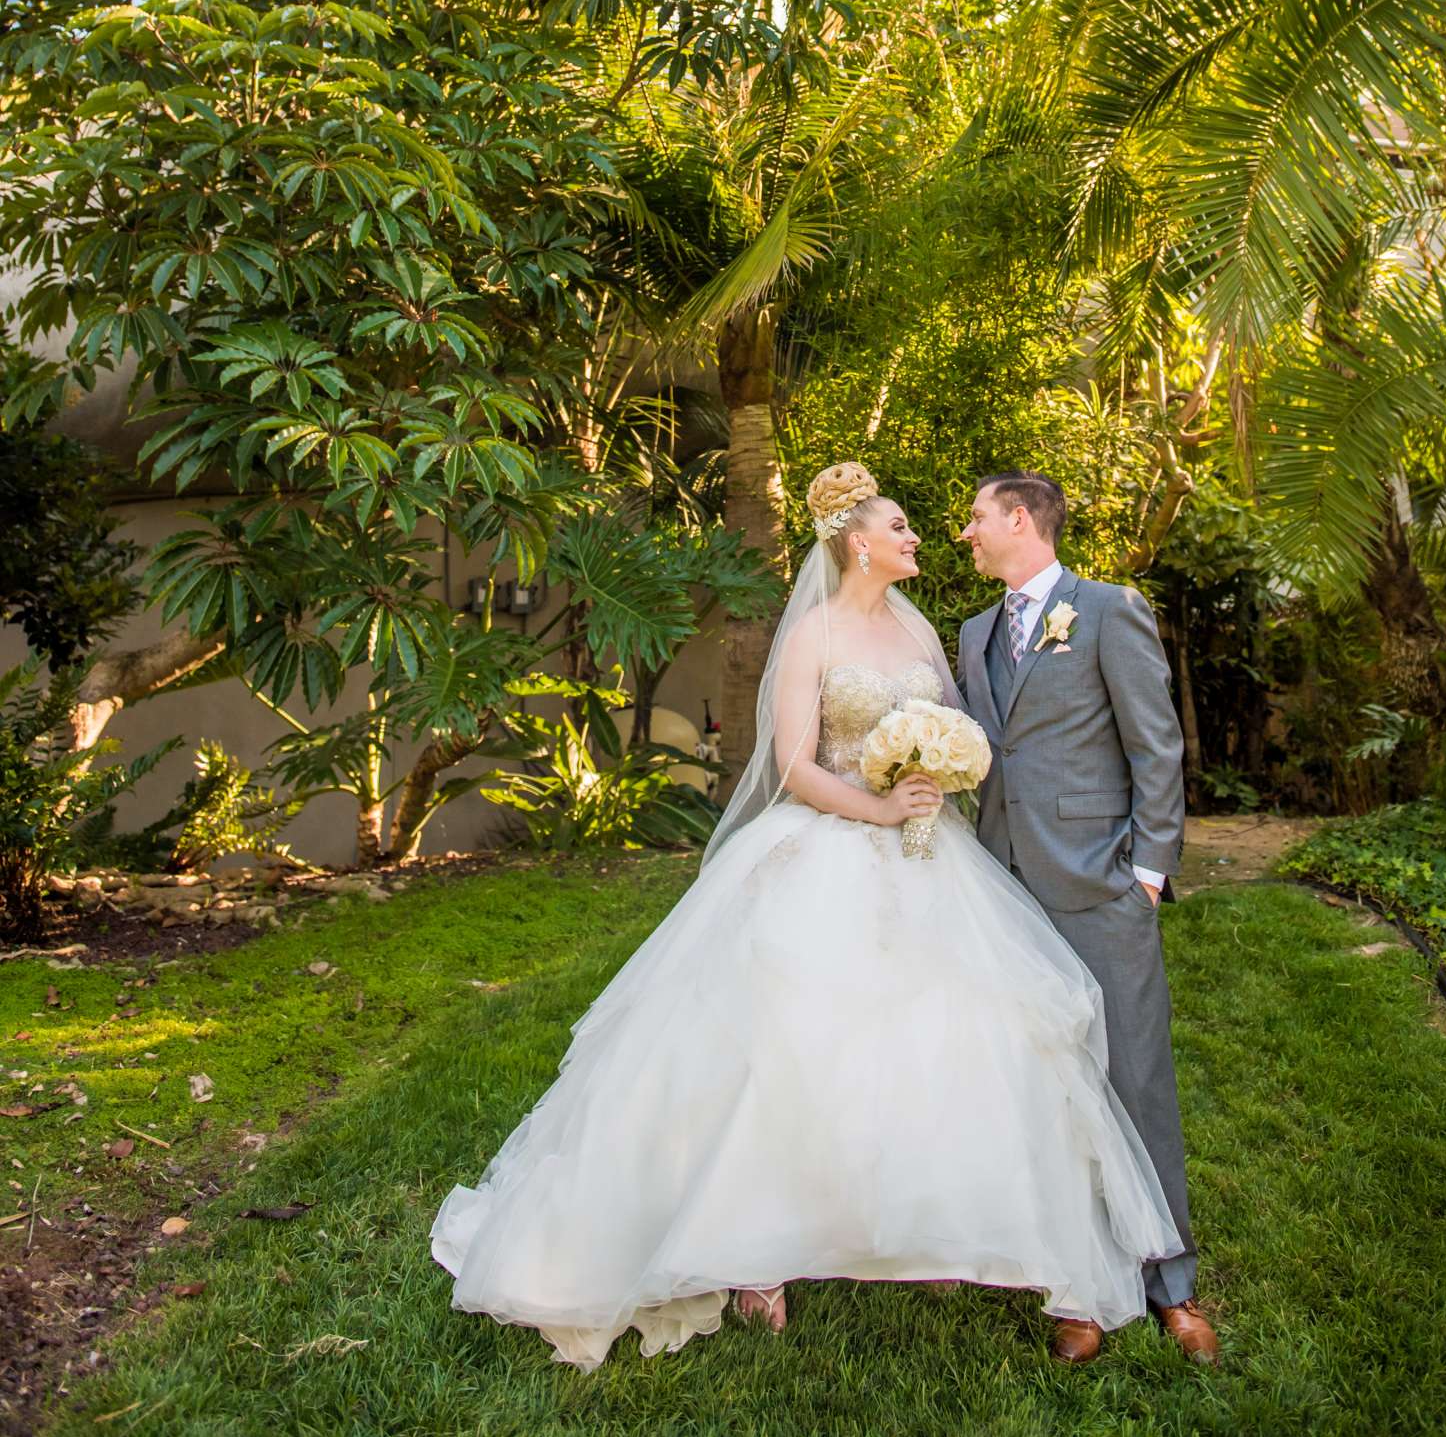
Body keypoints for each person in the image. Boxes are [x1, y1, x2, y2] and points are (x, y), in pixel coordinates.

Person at [432, 459, 1183, 1369]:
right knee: (792, 1045)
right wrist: (881, 807)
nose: (927, 538)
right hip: (831, 850)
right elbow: (794, 763)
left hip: (936, 858)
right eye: (903, 526)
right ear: (858, 541)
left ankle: (929, 1230)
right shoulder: (818, 637)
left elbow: (984, 739)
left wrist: (950, 786)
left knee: (939, 1035)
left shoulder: (930, 632)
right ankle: (759, 1245)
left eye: (950, 520)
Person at [957, 471, 1218, 1365]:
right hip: (1005, 884)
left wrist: (1147, 872)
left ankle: (1169, 1283)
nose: (967, 533)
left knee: (1133, 1073)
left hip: (1101, 885)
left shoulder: (1106, 610)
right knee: (1040, 1084)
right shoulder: (972, 634)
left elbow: (1156, 743)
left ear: (1019, 520)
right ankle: (1076, 1288)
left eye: (978, 518)